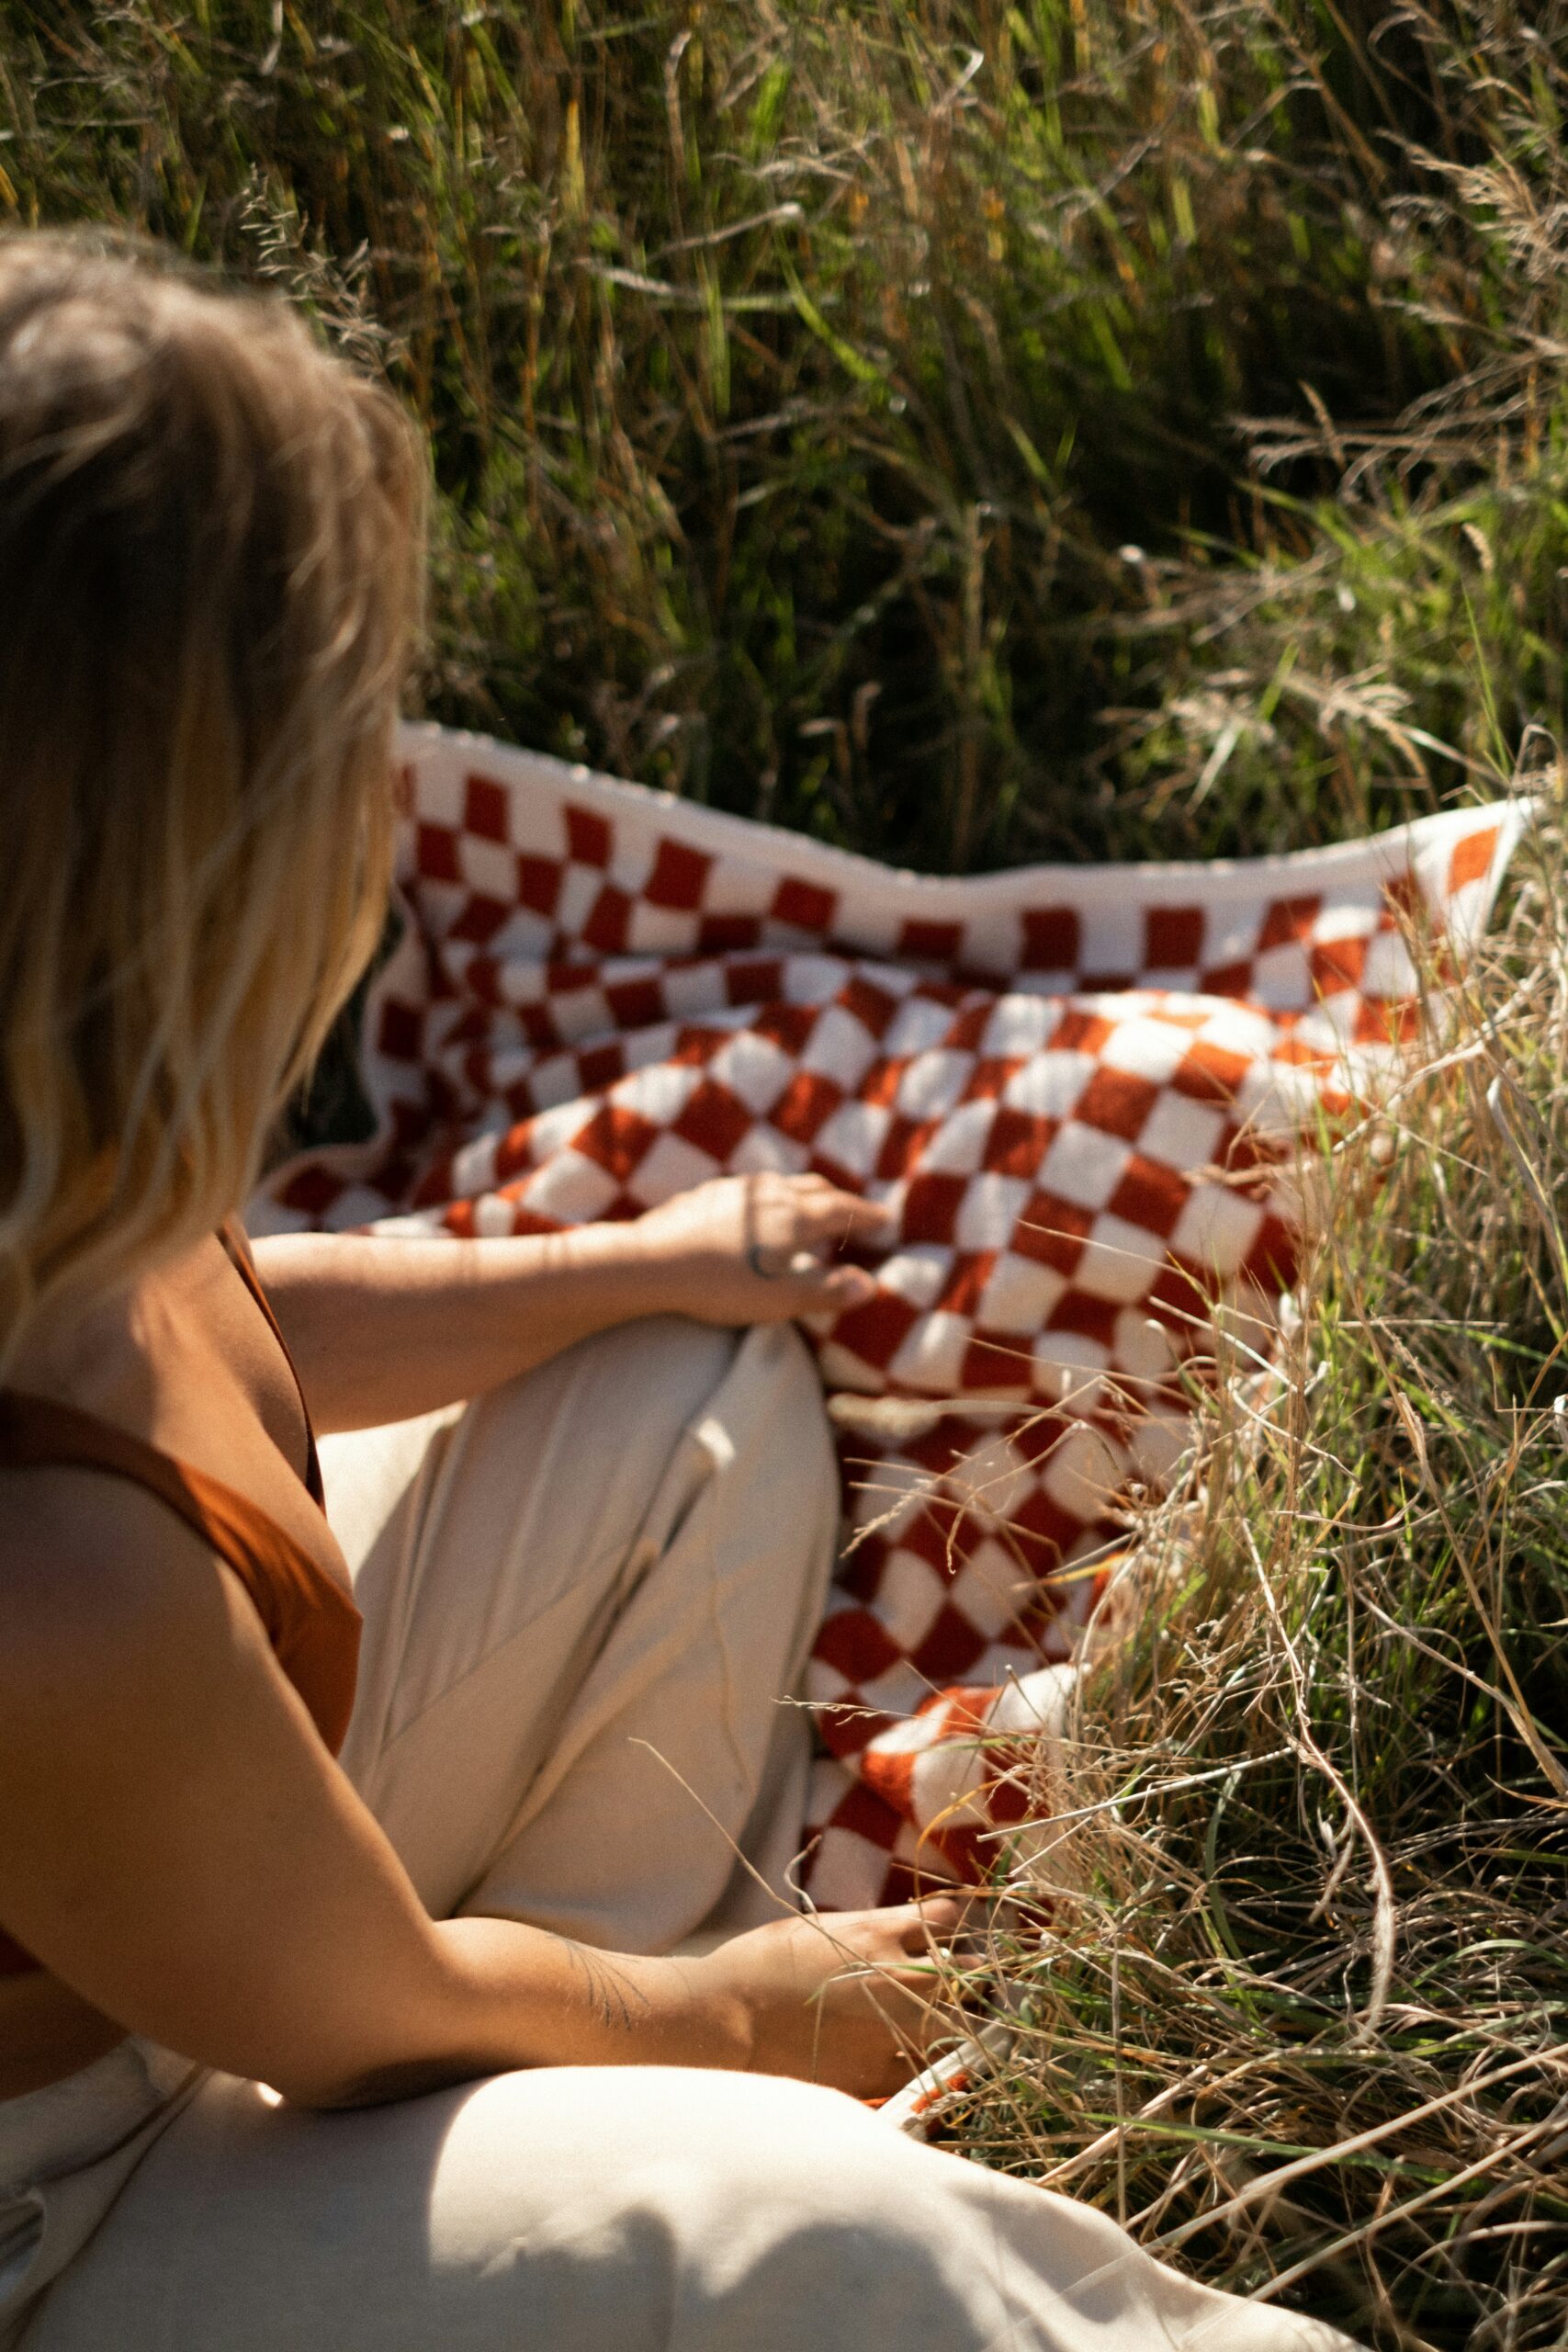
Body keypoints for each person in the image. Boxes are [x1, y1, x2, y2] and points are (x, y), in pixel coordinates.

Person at [0, 235, 1358, 2352]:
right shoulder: (43, 1596)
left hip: (227, 1904)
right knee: (822, 2238)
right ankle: (570, 2119)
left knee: (687, 1378)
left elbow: (233, 1318)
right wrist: (785, 2011)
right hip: (69, 2195)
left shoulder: (48, 1147)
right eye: (352, 732)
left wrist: (642, 1255)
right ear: (175, 865)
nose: (398, 792)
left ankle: (541, 2099)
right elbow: (366, 2014)